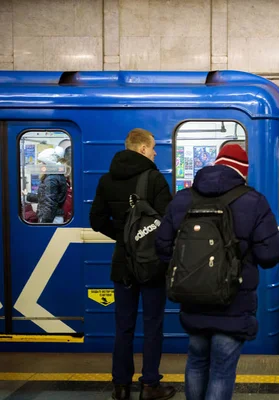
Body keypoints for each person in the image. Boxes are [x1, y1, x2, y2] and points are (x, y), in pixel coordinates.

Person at [155, 144, 279, 400]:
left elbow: (161, 246)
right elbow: (271, 254)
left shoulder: (182, 198)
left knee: (196, 362)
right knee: (222, 371)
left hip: (192, 301)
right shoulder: (253, 201)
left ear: (216, 163)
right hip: (233, 303)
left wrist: (191, 270)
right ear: (242, 172)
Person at [89, 128, 175, 400]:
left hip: (122, 264)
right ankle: (150, 385)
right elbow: (168, 222)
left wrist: (124, 237)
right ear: (141, 149)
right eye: (152, 148)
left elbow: (97, 220)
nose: (155, 152)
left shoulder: (106, 180)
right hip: (150, 265)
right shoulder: (154, 180)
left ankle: (121, 386)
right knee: (152, 325)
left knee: (123, 326)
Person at [32, 147, 68, 223]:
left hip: (52, 219)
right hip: (54, 217)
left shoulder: (51, 179)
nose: (39, 164)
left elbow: (50, 204)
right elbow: (45, 197)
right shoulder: (55, 176)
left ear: (48, 164)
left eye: (42, 162)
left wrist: (44, 223)